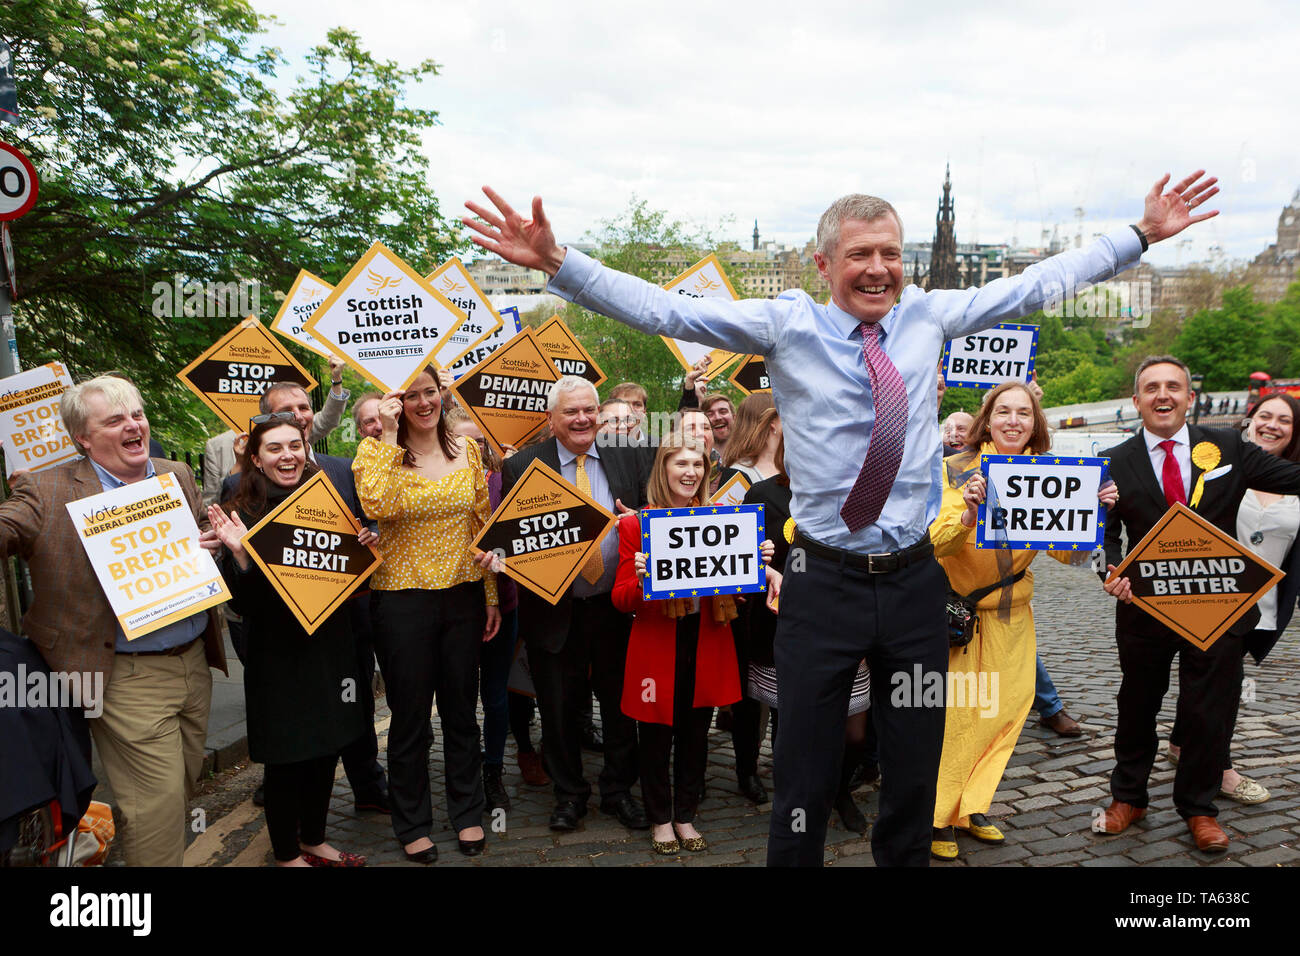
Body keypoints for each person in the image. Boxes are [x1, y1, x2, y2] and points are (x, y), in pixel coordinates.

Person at [465, 169, 1219, 866]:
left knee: (915, 758)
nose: (878, 268)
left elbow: (1038, 285)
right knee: (803, 767)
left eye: (890, 253)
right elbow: (668, 308)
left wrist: (1140, 234)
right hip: (820, 588)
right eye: (860, 254)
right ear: (824, 265)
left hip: (916, 588)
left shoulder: (930, 316)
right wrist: (560, 262)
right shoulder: (786, 325)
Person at [0, 374, 226, 866]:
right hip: (123, 676)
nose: (133, 425)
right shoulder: (45, 489)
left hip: (193, 664)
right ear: (83, 438)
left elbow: (192, 546)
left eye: (137, 415)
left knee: (180, 785)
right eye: (116, 419)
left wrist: (209, 543)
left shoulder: (175, 474)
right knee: (156, 807)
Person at [1100, 356, 1300, 853]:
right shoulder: (1112, 459)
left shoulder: (1229, 445)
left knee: (1209, 712)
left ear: (1190, 398)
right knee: (1136, 705)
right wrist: (1109, 569)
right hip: (1144, 608)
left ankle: (1199, 809)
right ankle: (1129, 797)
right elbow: (1104, 537)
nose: (1162, 395)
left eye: (1173, 386)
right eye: (1151, 388)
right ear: (1137, 401)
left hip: (1220, 608)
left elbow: (1292, 476)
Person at [928, 381, 1116, 860]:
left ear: (1036, 423)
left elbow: (1068, 554)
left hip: (1015, 614)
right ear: (987, 419)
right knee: (956, 716)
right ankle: (937, 815)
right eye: (1004, 412)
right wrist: (968, 514)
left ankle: (972, 806)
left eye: (1024, 414)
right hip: (960, 617)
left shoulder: (1053, 473)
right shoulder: (953, 470)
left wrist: (1092, 513)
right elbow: (933, 543)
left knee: (1006, 710)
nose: (1014, 421)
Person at [353, 366, 500, 863]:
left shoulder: (468, 450)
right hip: (401, 599)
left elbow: (483, 523)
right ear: (395, 402)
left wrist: (491, 594)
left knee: (462, 712)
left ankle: (468, 813)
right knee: (410, 717)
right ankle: (412, 823)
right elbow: (378, 504)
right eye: (409, 395)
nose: (422, 403)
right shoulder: (375, 452)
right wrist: (389, 434)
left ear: (443, 394)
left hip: (462, 595)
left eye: (429, 392)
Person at [208, 416, 370, 866]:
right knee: (288, 754)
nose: (288, 456)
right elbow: (243, 605)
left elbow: (350, 575)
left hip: (329, 645)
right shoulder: (241, 510)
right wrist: (240, 555)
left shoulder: (325, 499)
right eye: (275, 448)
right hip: (278, 653)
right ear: (255, 458)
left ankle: (313, 839)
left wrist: (361, 543)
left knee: (327, 744)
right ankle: (285, 853)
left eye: (295, 446)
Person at [494, 375, 653, 833]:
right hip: (553, 610)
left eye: (589, 410)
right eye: (571, 412)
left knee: (622, 706)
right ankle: (569, 795)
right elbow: (513, 540)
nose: (583, 419)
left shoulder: (631, 455)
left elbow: (658, 518)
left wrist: (641, 523)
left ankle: (619, 791)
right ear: (552, 419)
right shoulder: (522, 465)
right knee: (558, 708)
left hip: (617, 607)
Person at [613, 432, 773, 852]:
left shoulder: (721, 520)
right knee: (655, 735)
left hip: (707, 641)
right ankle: (659, 819)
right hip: (656, 645)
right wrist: (643, 577)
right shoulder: (636, 525)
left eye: (698, 464)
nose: (691, 472)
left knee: (695, 733)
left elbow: (736, 591)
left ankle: (685, 815)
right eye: (681, 463)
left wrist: (755, 564)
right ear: (663, 469)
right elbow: (620, 598)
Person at [1166, 392, 1300, 805]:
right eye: (1265, 416)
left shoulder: (1295, 480)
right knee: (1220, 685)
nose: (1272, 425)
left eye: (1284, 419)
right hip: (1207, 596)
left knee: (1218, 683)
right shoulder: (1218, 467)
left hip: (1264, 605)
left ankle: (1180, 742)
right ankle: (1219, 768)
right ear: (1249, 419)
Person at [444, 406, 515, 811]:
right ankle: (465, 773)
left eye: (480, 441)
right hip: (456, 606)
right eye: (462, 441)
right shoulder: (437, 485)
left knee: (497, 694)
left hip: (503, 602)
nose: (473, 448)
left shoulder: (503, 481)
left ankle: (493, 770)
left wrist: (501, 560)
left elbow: (525, 541)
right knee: (459, 694)